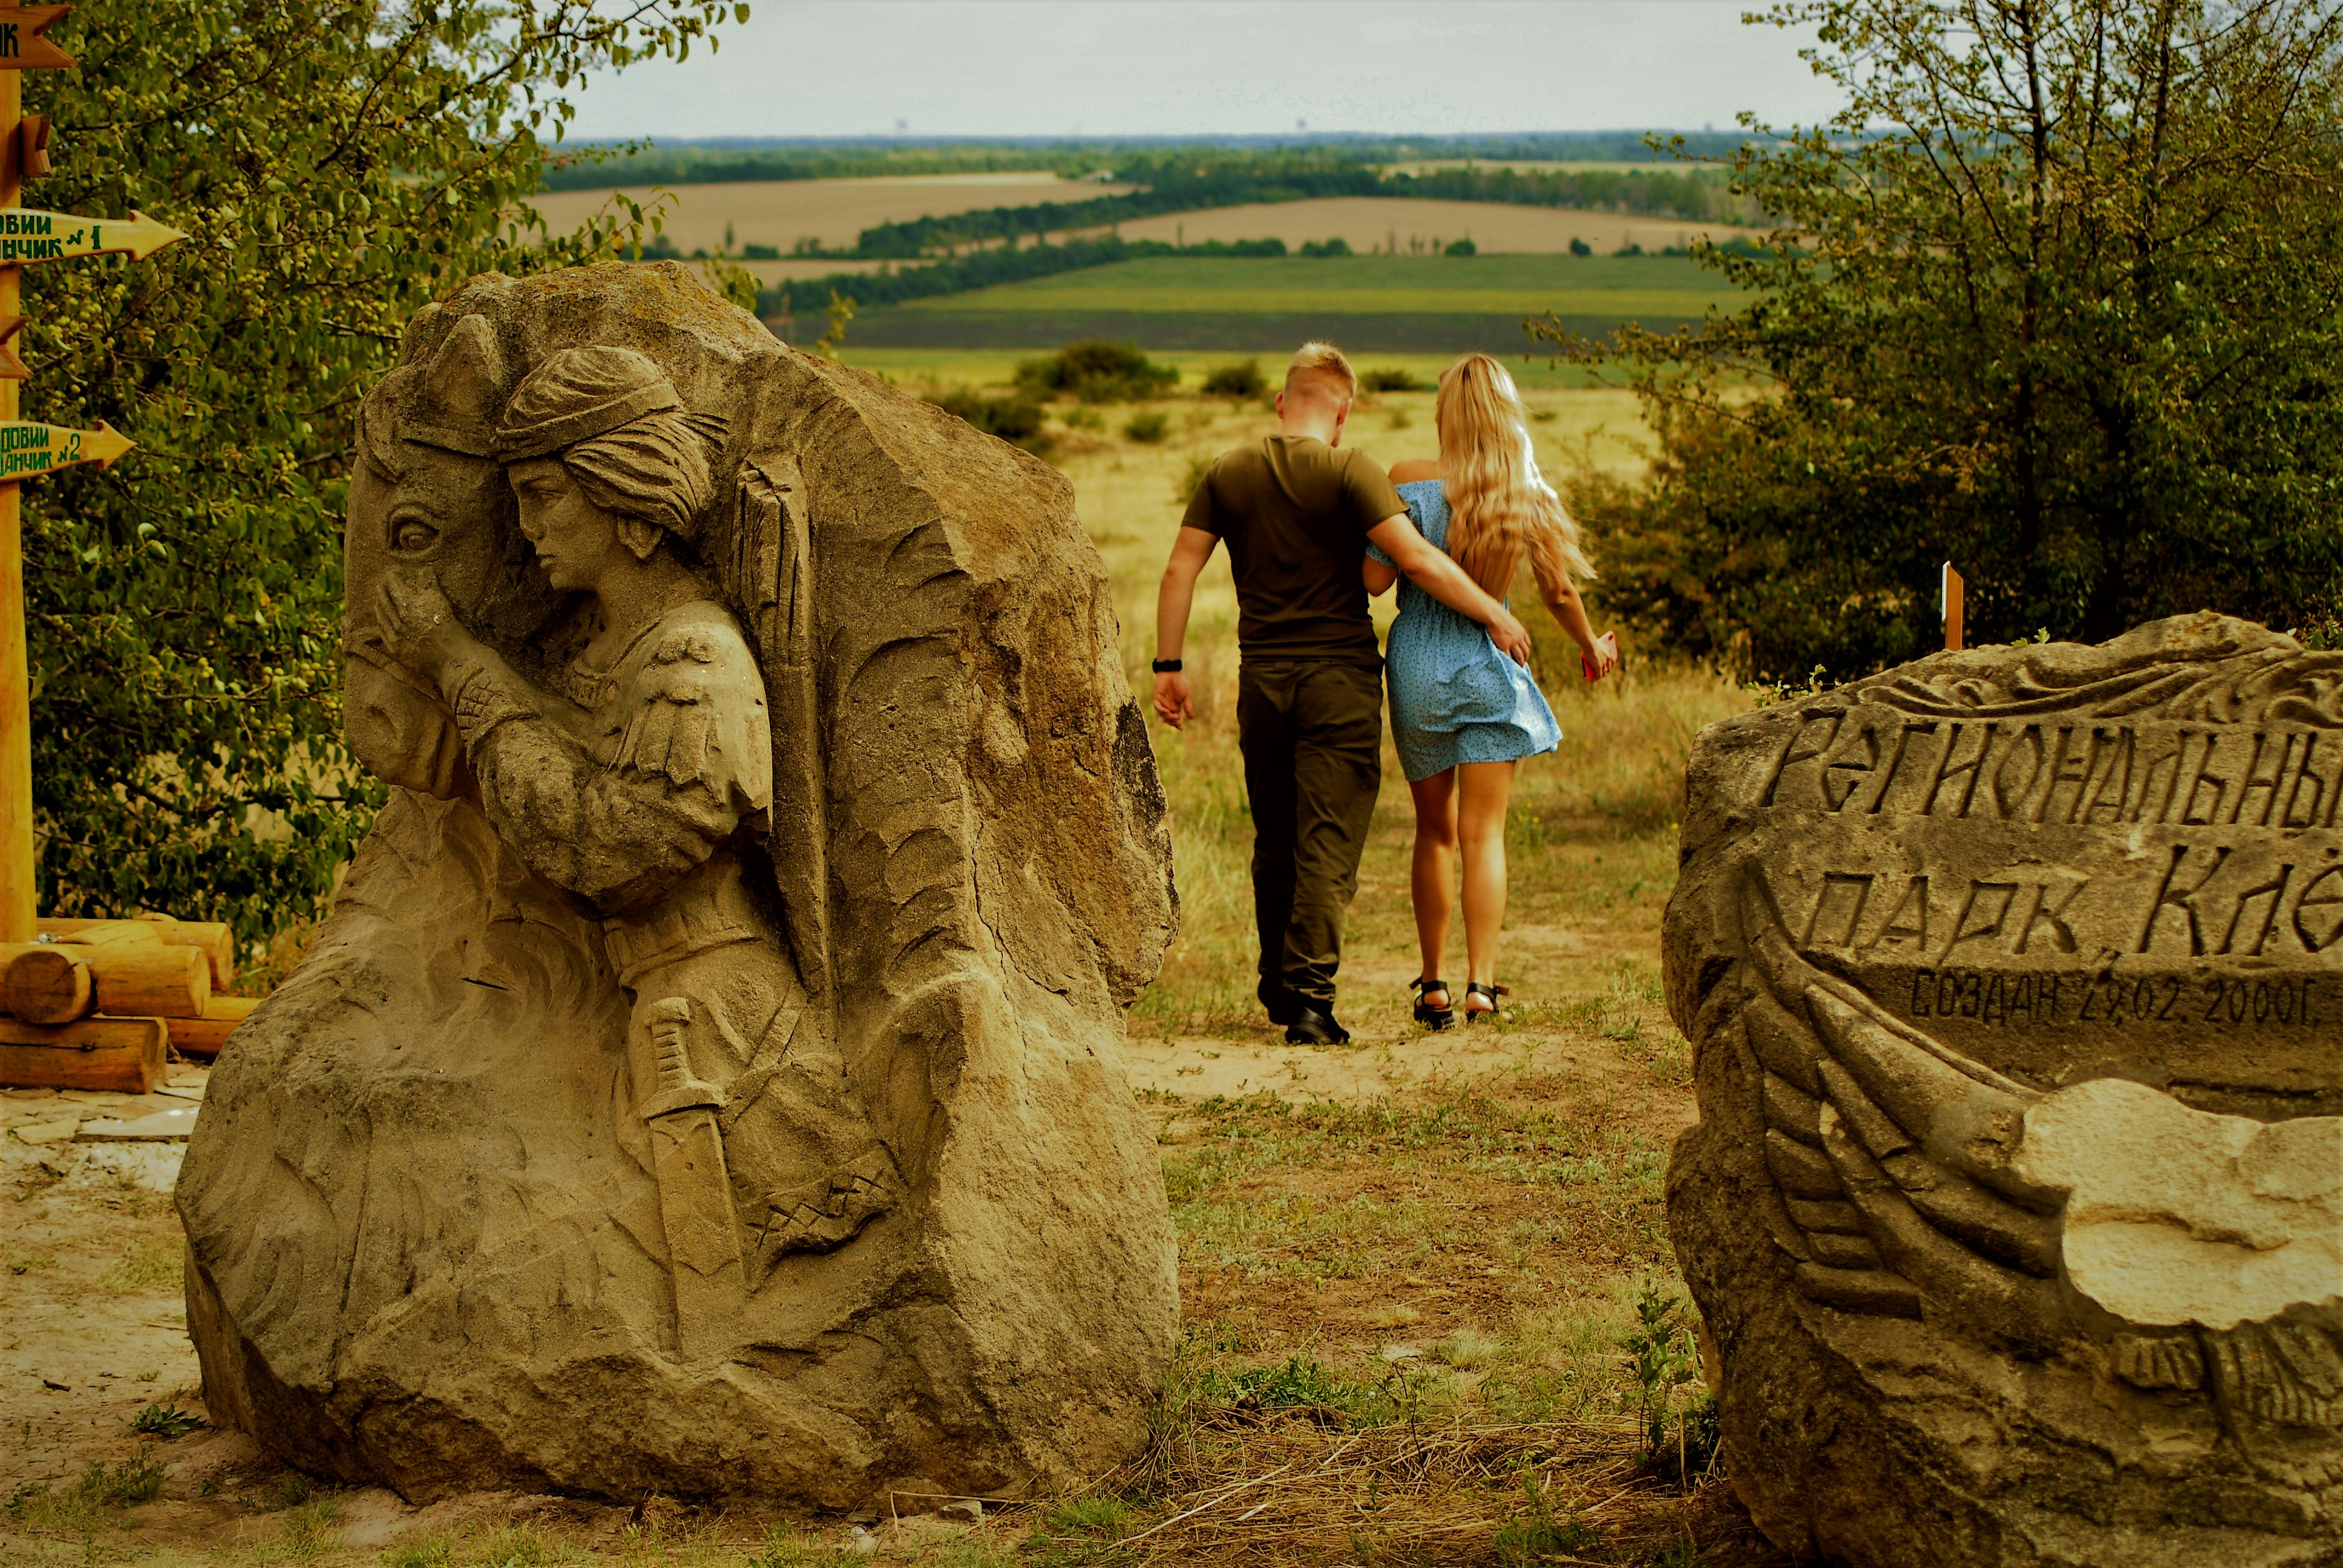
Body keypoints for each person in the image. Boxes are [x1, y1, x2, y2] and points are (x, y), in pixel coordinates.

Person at [371, 345, 898, 1288]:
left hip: (725, 1034)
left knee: (744, 1302)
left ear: (624, 494)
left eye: (543, 494)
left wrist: (461, 666)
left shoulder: (694, 661)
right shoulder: (610, 651)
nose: (526, 526)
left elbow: (611, 848)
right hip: (649, 1014)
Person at [1153, 341, 1533, 1045]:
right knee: (1326, 840)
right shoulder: (1351, 471)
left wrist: (1167, 665)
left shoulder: (1226, 472)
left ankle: (1275, 982)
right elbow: (1413, 560)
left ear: (1281, 401)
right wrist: (1494, 613)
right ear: (1343, 410)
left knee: (1274, 835)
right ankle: (1309, 1001)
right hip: (1338, 680)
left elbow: (1180, 568)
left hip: (1260, 678)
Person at [1366, 352, 1617, 1027]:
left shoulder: (1404, 481)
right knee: (1484, 835)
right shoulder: (1520, 492)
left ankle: (1431, 986)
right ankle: (1482, 985)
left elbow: (1374, 580)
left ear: (1447, 413)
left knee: (1432, 832)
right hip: (1488, 665)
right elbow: (1559, 590)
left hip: (1416, 662)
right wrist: (1590, 647)